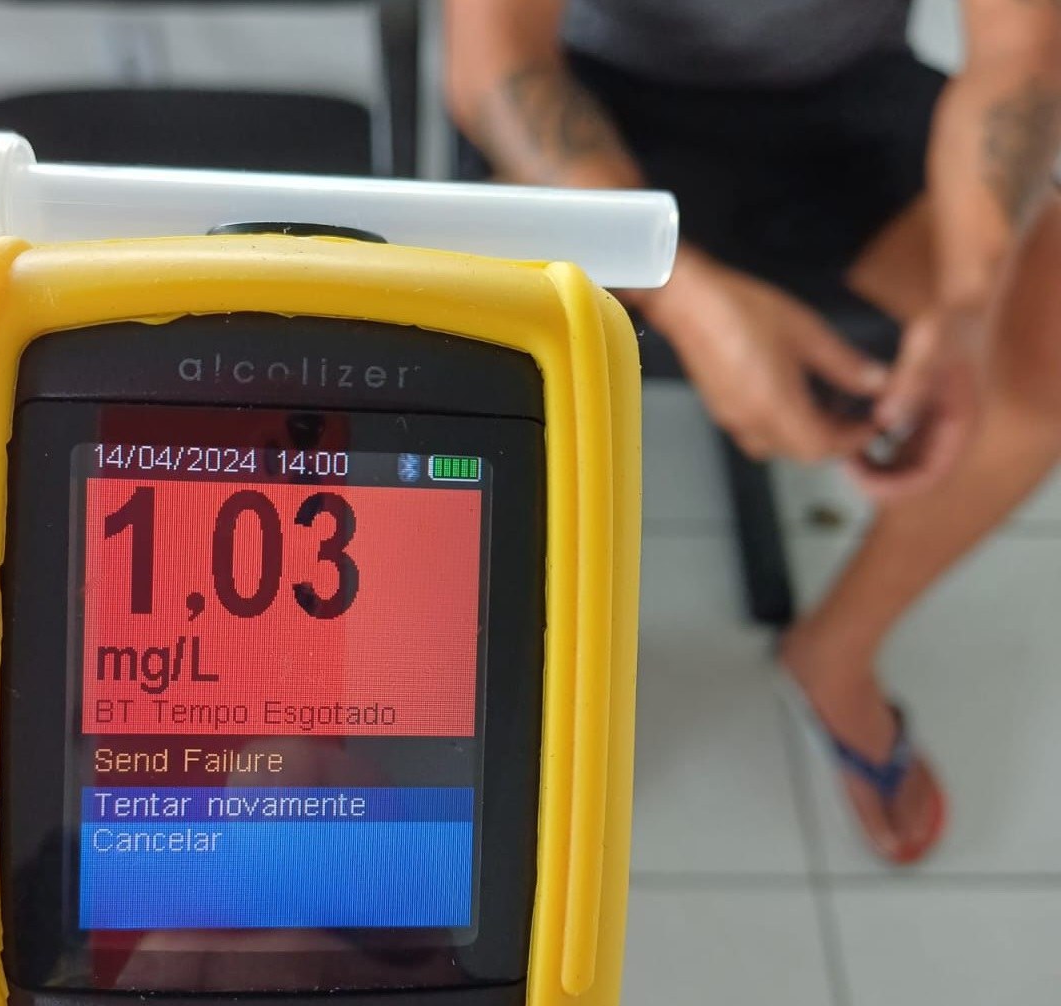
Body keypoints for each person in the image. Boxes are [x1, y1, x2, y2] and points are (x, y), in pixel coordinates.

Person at [444, 0, 1061, 864]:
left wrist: (968, 302)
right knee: (459, 370)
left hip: (842, 107)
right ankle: (501, 685)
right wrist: (681, 292)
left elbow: (1020, 50)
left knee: (1043, 331)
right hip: (592, 105)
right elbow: (496, 62)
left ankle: (837, 653)